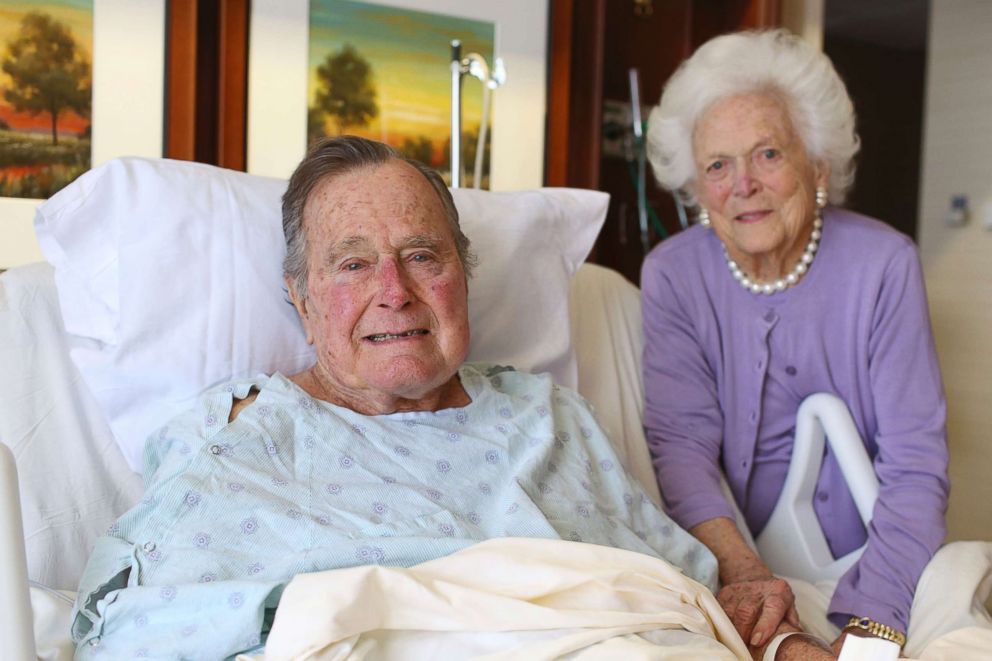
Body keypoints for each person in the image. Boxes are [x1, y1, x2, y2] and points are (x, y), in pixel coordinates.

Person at [69, 136, 721, 659]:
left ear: (461, 278)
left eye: (421, 255)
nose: (395, 290)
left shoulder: (548, 417)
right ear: (302, 299)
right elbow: (138, 631)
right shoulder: (241, 435)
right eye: (353, 264)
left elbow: (680, 593)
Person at [642, 29, 948, 657]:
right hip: (730, 559)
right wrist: (745, 572)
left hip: (869, 564)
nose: (742, 184)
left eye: (768, 154)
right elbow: (680, 445)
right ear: (697, 188)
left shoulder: (883, 264)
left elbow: (915, 463)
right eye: (717, 165)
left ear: (818, 165)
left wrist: (873, 624)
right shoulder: (673, 273)